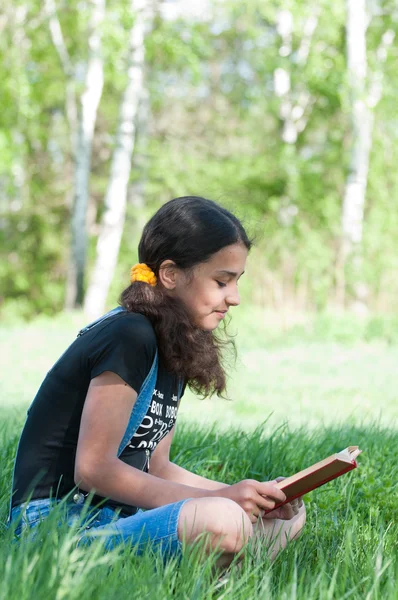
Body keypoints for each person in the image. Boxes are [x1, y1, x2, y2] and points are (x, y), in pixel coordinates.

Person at [8, 196, 305, 567]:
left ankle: (215, 567)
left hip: (114, 517)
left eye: (237, 282)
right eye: (221, 281)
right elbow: (92, 469)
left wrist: (248, 496)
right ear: (170, 275)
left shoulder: (174, 341)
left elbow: (157, 467)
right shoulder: (129, 336)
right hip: (56, 524)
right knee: (224, 521)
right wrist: (222, 503)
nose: (235, 298)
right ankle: (219, 565)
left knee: (287, 517)